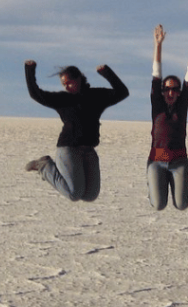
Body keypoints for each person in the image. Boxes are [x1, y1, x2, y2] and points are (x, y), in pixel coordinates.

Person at [23, 59, 129, 202]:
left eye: (69, 82)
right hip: (68, 148)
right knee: (74, 193)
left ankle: (48, 167)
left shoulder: (97, 96)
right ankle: (44, 166)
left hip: (89, 150)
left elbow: (122, 92)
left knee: (90, 195)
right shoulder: (62, 99)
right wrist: (30, 70)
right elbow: (36, 94)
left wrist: (106, 72)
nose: (66, 86)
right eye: (63, 84)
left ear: (78, 78)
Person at [147, 24, 188, 210]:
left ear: (180, 93)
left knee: (182, 205)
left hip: (179, 161)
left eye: (175, 89)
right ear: (162, 91)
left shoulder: (182, 107)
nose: (171, 92)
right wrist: (158, 45)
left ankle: (176, 185)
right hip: (157, 161)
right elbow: (156, 74)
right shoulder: (157, 106)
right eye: (167, 89)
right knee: (159, 205)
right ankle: (156, 185)